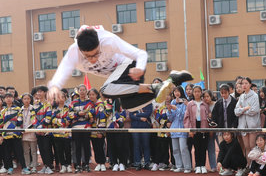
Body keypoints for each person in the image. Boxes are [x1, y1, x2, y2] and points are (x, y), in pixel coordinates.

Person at [47, 25, 192, 112]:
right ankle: (170, 81)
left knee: (106, 90)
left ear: (100, 43)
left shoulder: (109, 40)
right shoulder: (74, 51)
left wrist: (140, 68)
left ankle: (156, 87)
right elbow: (62, 70)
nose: (93, 59)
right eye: (88, 57)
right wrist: (54, 87)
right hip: (118, 79)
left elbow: (140, 53)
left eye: (96, 53)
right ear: (80, 50)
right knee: (128, 105)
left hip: (130, 67)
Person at [184, 85, 210, 174]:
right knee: (196, 147)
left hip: (203, 126)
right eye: (195, 92)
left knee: (203, 147)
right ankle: (198, 165)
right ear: (193, 93)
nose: (197, 93)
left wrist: (209, 129)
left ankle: (203, 165)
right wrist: (189, 130)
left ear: (201, 92)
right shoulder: (190, 104)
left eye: (198, 91)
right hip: (194, 126)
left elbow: (209, 116)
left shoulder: (205, 104)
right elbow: (186, 117)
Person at [235, 77, 261, 160]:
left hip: (252, 125)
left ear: (250, 84)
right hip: (243, 125)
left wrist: (242, 110)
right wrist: (245, 109)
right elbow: (236, 111)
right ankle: (248, 165)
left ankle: (254, 166)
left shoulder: (254, 96)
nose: (244, 85)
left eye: (246, 83)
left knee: (252, 146)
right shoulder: (241, 96)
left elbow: (254, 110)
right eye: (242, 83)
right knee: (246, 147)